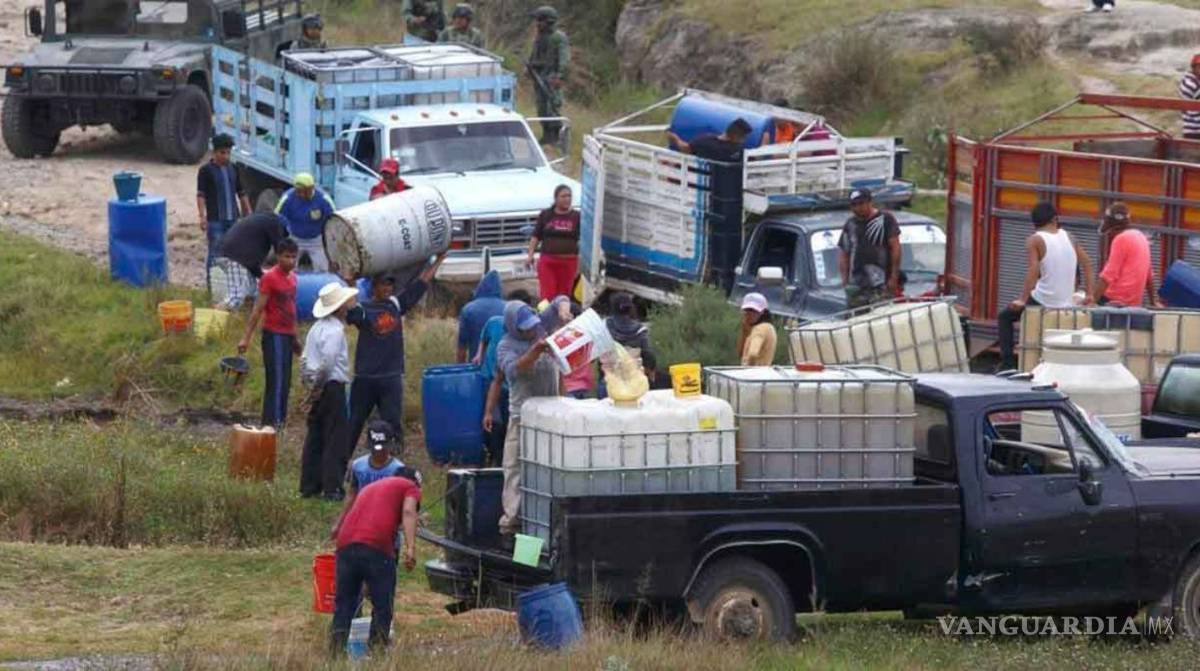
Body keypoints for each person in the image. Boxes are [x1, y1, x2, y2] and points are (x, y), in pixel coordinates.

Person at [347, 254, 448, 454]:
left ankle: (394, 460)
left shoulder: (395, 305)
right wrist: (348, 280)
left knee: (393, 422)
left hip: (390, 377)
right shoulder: (364, 309)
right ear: (374, 286)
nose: (387, 289)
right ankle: (341, 460)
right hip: (365, 377)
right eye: (383, 285)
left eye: (390, 285)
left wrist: (438, 260)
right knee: (354, 422)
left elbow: (421, 284)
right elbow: (349, 305)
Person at [486, 300, 566, 538]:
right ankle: (511, 524)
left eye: (533, 325)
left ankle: (550, 521)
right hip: (522, 417)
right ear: (513, 326)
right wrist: (536, 350)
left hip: (552, 415)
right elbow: (513, 370)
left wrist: (563, 306)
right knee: (514, 468)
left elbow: (560, 301)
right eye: (525, 328)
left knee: (550, 468)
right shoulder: (504, 346)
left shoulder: (542, 325)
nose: (532, 330)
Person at [328, 473, 421, 654]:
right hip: (375, 546)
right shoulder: (410, 486)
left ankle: (335, 654)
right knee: (382, 604)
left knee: (345, 602)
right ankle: (376, 652)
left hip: (345, 544)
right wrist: (411, 548)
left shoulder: (371, 487)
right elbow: (409, 511)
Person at [997, 202, 1095, 371]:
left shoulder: (1034, 240)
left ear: (1034, 223)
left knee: (1004, 317)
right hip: (1066, 302)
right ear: (1055, 219)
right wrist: (1090, 294)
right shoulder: (1070, 237)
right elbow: (1087, 264)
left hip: (1044, 299)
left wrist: (1022, 299)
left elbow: (1033, 270)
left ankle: (1007, 365)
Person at [300, 283, 359, 500]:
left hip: (319, 384)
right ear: (340, 307)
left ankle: (309, 485)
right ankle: (332, 487)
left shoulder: (316, 328)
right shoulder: (335, 330)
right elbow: (328, 362)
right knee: (335, 438)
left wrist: (309, 383)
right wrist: (319, 386)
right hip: (331, 386)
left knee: (315, 436)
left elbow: (305, 359)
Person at [238, 239, 300, 428]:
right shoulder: (270, 278)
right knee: (276, 381)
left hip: (287, 334)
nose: (290, 261)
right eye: (286, 256)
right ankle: (271, 425)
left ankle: (279, 422)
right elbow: (258, 310)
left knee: (286, 382)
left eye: (293, 257)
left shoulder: (293, 278)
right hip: (274, 334)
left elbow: (292, 309)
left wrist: (296, 337)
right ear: (278, 257)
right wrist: (246, 338)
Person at [475, 290, 532, 466]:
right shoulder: (497, 328)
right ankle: (497, 459)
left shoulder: (533, 335)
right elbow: (498, 378)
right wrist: (479, 355)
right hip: (503, 388)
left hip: (521, 393)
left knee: (513, 427)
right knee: (498, 426)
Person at [196, 133, 251, 296]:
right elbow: (201, 195)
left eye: (228, 152)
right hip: (215, 221)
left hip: (233, 220)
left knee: (234, 253)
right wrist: (202, 216)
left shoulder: (233, 169)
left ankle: (233, 287)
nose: (225, 156)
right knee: (215, 254)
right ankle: (213, 288)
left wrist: (248, 213)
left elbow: (241, 193)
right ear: (214, 152)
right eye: (222, 153)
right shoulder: (205, 171)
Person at [333, 420, 406, 535]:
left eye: (383, 449)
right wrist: (340, 522)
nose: (379, 453)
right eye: (375, 449)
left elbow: (404, 503)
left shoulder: (399, 470)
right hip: (361, 523)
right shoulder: (358, 466)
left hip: (387, 528)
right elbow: (352, 494)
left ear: (391, 443)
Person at [838, 188, 902, 310]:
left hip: (881, 284)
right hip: (857, 286)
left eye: (861, 204)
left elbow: (896, 248)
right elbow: (844, 253)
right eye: (854, 205)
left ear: (870, 202)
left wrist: (894, 277)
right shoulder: (850, 224)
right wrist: (845, 282)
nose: (858, 208)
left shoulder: (885, 219)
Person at [1092, 202, 1160, 307]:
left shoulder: (1121, 239)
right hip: (1134, 304)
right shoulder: (1141, 236)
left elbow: (1108, 275)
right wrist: (1153, 302)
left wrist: (1092, 302)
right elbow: (1149, 275)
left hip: (1113, 300)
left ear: (1111, 228)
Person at [216, 212, 288, 310]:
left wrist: (263, 276)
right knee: (236, 298)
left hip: (232, 255)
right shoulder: (275, 223)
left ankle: (246, 317)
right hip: (234, 257)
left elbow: (252, 265)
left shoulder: (261, 225)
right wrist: (285, 274)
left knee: (251, 291)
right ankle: (212, 318)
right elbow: (280, 249)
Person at [527, 185, 579, 301]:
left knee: (563, 297)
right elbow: (535, 236)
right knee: (547, 296)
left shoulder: (577, 216)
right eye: (563, 196)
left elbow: (582, 241)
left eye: (569, 196)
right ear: (556, 198)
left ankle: (562, 319)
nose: (567, 199)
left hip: (568, 263)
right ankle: (545, 318)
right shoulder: (546, 215)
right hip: (548, 262)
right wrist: (530, 255)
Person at [275, 173, 336, 272]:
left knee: (322, 270)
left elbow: (333, 219)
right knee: (287, 270)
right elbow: (277, 218)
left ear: (312, 188)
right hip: (295, 239)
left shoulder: (324, 199)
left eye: (304, 192)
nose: (300, 195)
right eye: (298, 191)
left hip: (316, 240)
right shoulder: (287, 198)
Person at [528, 6, 570, 146]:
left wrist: (560, 76)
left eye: (540, 21)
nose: (537, 24)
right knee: (541, 108)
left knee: (552, 108)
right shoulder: (539, 37)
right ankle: (546, 135)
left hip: (552, 78)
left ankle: (557, 137)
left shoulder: (558, 37)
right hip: (539, 76)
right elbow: (534, 54)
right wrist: (529, 67)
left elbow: (564, 59)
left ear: (548, 21)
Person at [457, 270, 506, 364]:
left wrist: (461, 370)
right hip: (503, 368)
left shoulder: (468, 309)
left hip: (477, 365)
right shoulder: (508, 309)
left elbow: (462, 348)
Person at [666, 118, 752, 164]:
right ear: (736, 136)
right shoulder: (738, 151)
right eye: (743, 137)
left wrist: (675, 138)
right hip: (725, 190)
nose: (744, 140)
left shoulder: (705, 142)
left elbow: (686, 148)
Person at [738, 292, 777, 366]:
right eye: (747, 310)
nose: (749, 314)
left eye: (754, 311)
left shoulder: (759, 329)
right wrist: (745, 333)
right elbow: (741, 355)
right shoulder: (769, 328)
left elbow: (753, 353)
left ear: (763, 312)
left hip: (753, 374)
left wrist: (749, 369)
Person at [1180, 55, 1200, 140]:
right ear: (1194, 67)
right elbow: (1190, 109)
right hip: (1194, 129)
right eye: (1199, 66)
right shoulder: (1190, 83)